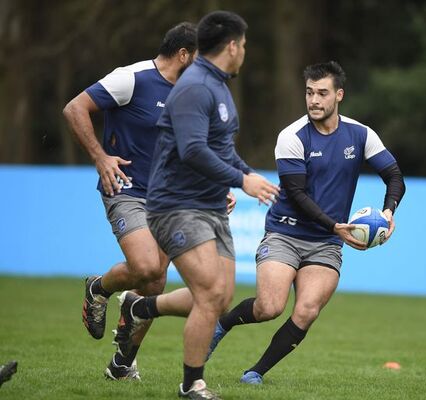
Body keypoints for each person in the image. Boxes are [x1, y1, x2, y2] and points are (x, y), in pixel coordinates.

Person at [118, 61, 405, 386]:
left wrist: (388, 212)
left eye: (322, 93)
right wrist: (335, 226)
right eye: (309, 92)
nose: (314, 100)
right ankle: (218, 324)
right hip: (286, 232)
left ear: (339, 95)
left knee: (307, 310)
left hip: (326, 242)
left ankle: (256, 372)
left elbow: (393, 175)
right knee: (270, 306)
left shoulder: (361, 134)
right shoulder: (292, 136)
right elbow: (297, 194)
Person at [118, 11, 279, 399]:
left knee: (220, 296)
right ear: (233, 46)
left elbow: (222, 149)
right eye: (244, 45)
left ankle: (141, 309)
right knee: (209, 294)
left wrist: (250, 174)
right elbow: (192, 150)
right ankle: (192, 385)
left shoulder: (220, 87)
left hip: (208, 205)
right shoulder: (194, 86)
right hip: (176, 205)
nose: (245, 52)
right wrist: (241, 180)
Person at [62, 22, 198, 380]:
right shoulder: (131, 78)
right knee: (147, 266)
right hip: (127, 190)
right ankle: (99, 287)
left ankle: (122, 364)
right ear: (183, 54)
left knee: (154, 285)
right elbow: (74, 108)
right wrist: (100, 157)